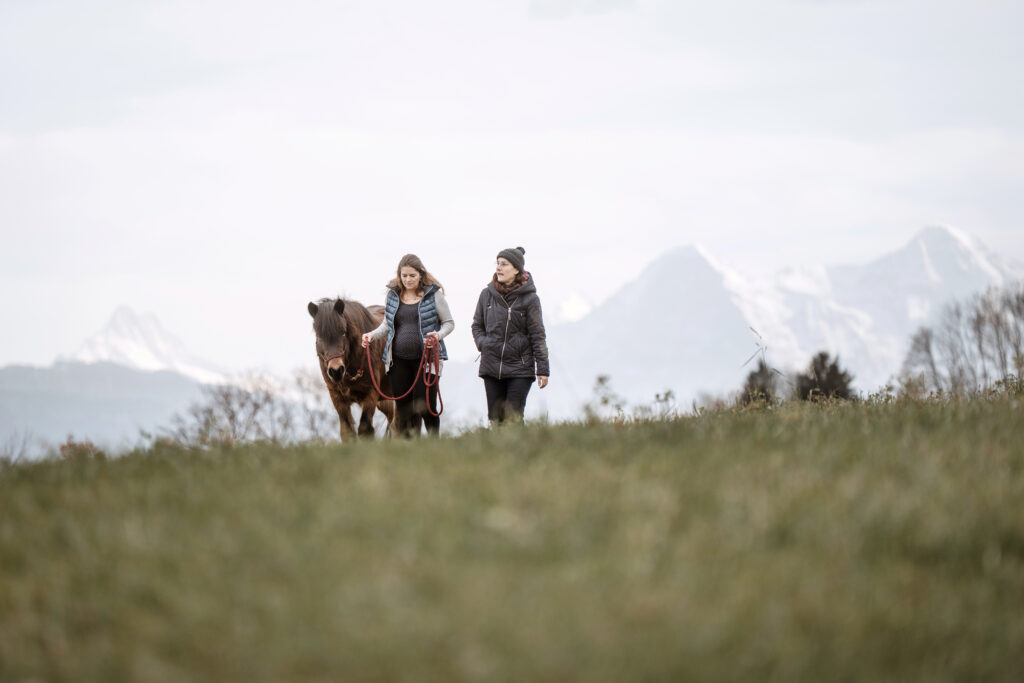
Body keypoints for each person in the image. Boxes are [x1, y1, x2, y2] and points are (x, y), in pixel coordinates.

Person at [362, 254, 454, 437]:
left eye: (412, 275)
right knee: (403, 410)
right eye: (404, 276)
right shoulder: (393, 296)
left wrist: (438, 335)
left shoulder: (433, 295)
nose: (408, 279)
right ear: (399, 276)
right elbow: (387, 325)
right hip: (398, 361)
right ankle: (406, 448)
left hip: (426, 360)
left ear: (420, 275)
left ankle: (435, 444)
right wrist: (371, 335)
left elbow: (449, 323)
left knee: (426, 406)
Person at [471, 246, 549, 423]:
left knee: (513, 419)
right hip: (491, 366)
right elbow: (477, 325)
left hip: (520, 368)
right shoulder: (486, 295)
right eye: (497, 263)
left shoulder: (530, 299)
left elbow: (538, 335)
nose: (498, 268)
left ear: (516, 269)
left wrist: (543, 369)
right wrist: (484, 344)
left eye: (504, 264)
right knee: (495, 419)